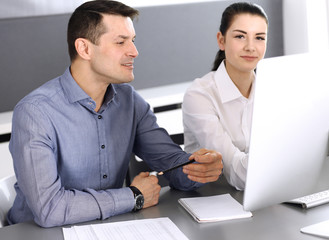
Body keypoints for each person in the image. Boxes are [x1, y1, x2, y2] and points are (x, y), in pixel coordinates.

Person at [8, 0, 223, 228]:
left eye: (133, 41)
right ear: (84, 49)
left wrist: (198, 168)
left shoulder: (129, 101)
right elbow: (49, 209)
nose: (134, 52)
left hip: (108, 228)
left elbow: (171, 163)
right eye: (121, 42)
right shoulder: (35, 113)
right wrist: (132, 196)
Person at [182, 2, 268, 190]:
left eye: (259, 38)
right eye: (240, 36)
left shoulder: (271, 90)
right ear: (221, 40)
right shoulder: (199, 95)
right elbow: (237, 173)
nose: (251, 47)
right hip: (212, 198)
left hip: (265, 194)